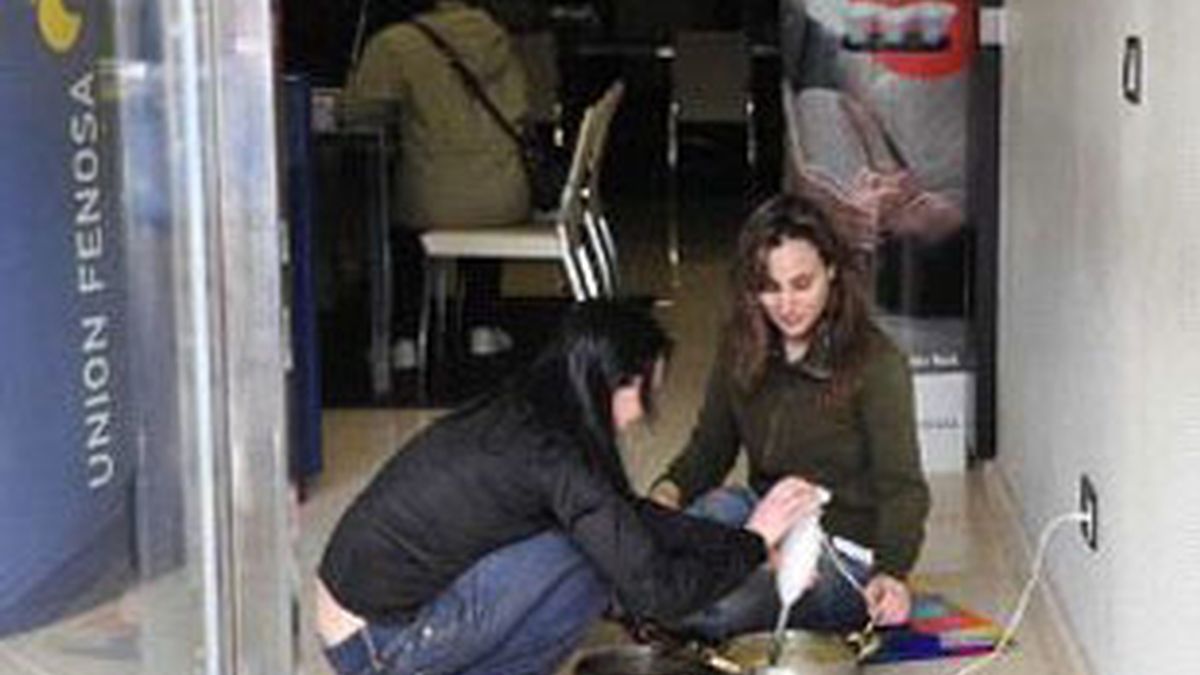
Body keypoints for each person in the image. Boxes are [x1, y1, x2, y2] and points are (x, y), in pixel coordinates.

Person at [315, 300, 825, 674]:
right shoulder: (555, 454)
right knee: (589, 560)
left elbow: (628, 516)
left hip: (363, 621)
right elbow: (655, 592)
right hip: (378, 646)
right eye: (648, 392)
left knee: (599, 541)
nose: (643, 413)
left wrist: (748, 546)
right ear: (618, 381)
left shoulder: (535, 410)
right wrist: (754, 540)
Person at [649, 195, 931, 641]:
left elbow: (903, 488)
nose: (786, 304)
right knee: (699, 522)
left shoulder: (878, 363)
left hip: (838, 550)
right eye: (770, 287)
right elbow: (709, 450)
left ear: (832, 273)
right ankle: (663, 592)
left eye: (802, 284)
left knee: (717, 606)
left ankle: (661, 600)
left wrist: (893, 574)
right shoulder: (740, 344)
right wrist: (660, 505)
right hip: (763, 521)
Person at [346, 0, 532, 363]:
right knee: (479, 198)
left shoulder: (394, 43)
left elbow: (359, 113)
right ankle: (482, 324)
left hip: (431, 197)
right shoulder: (496, 38)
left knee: (405, 218)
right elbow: (523, 105)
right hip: (504, 194)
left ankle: (404, 340)